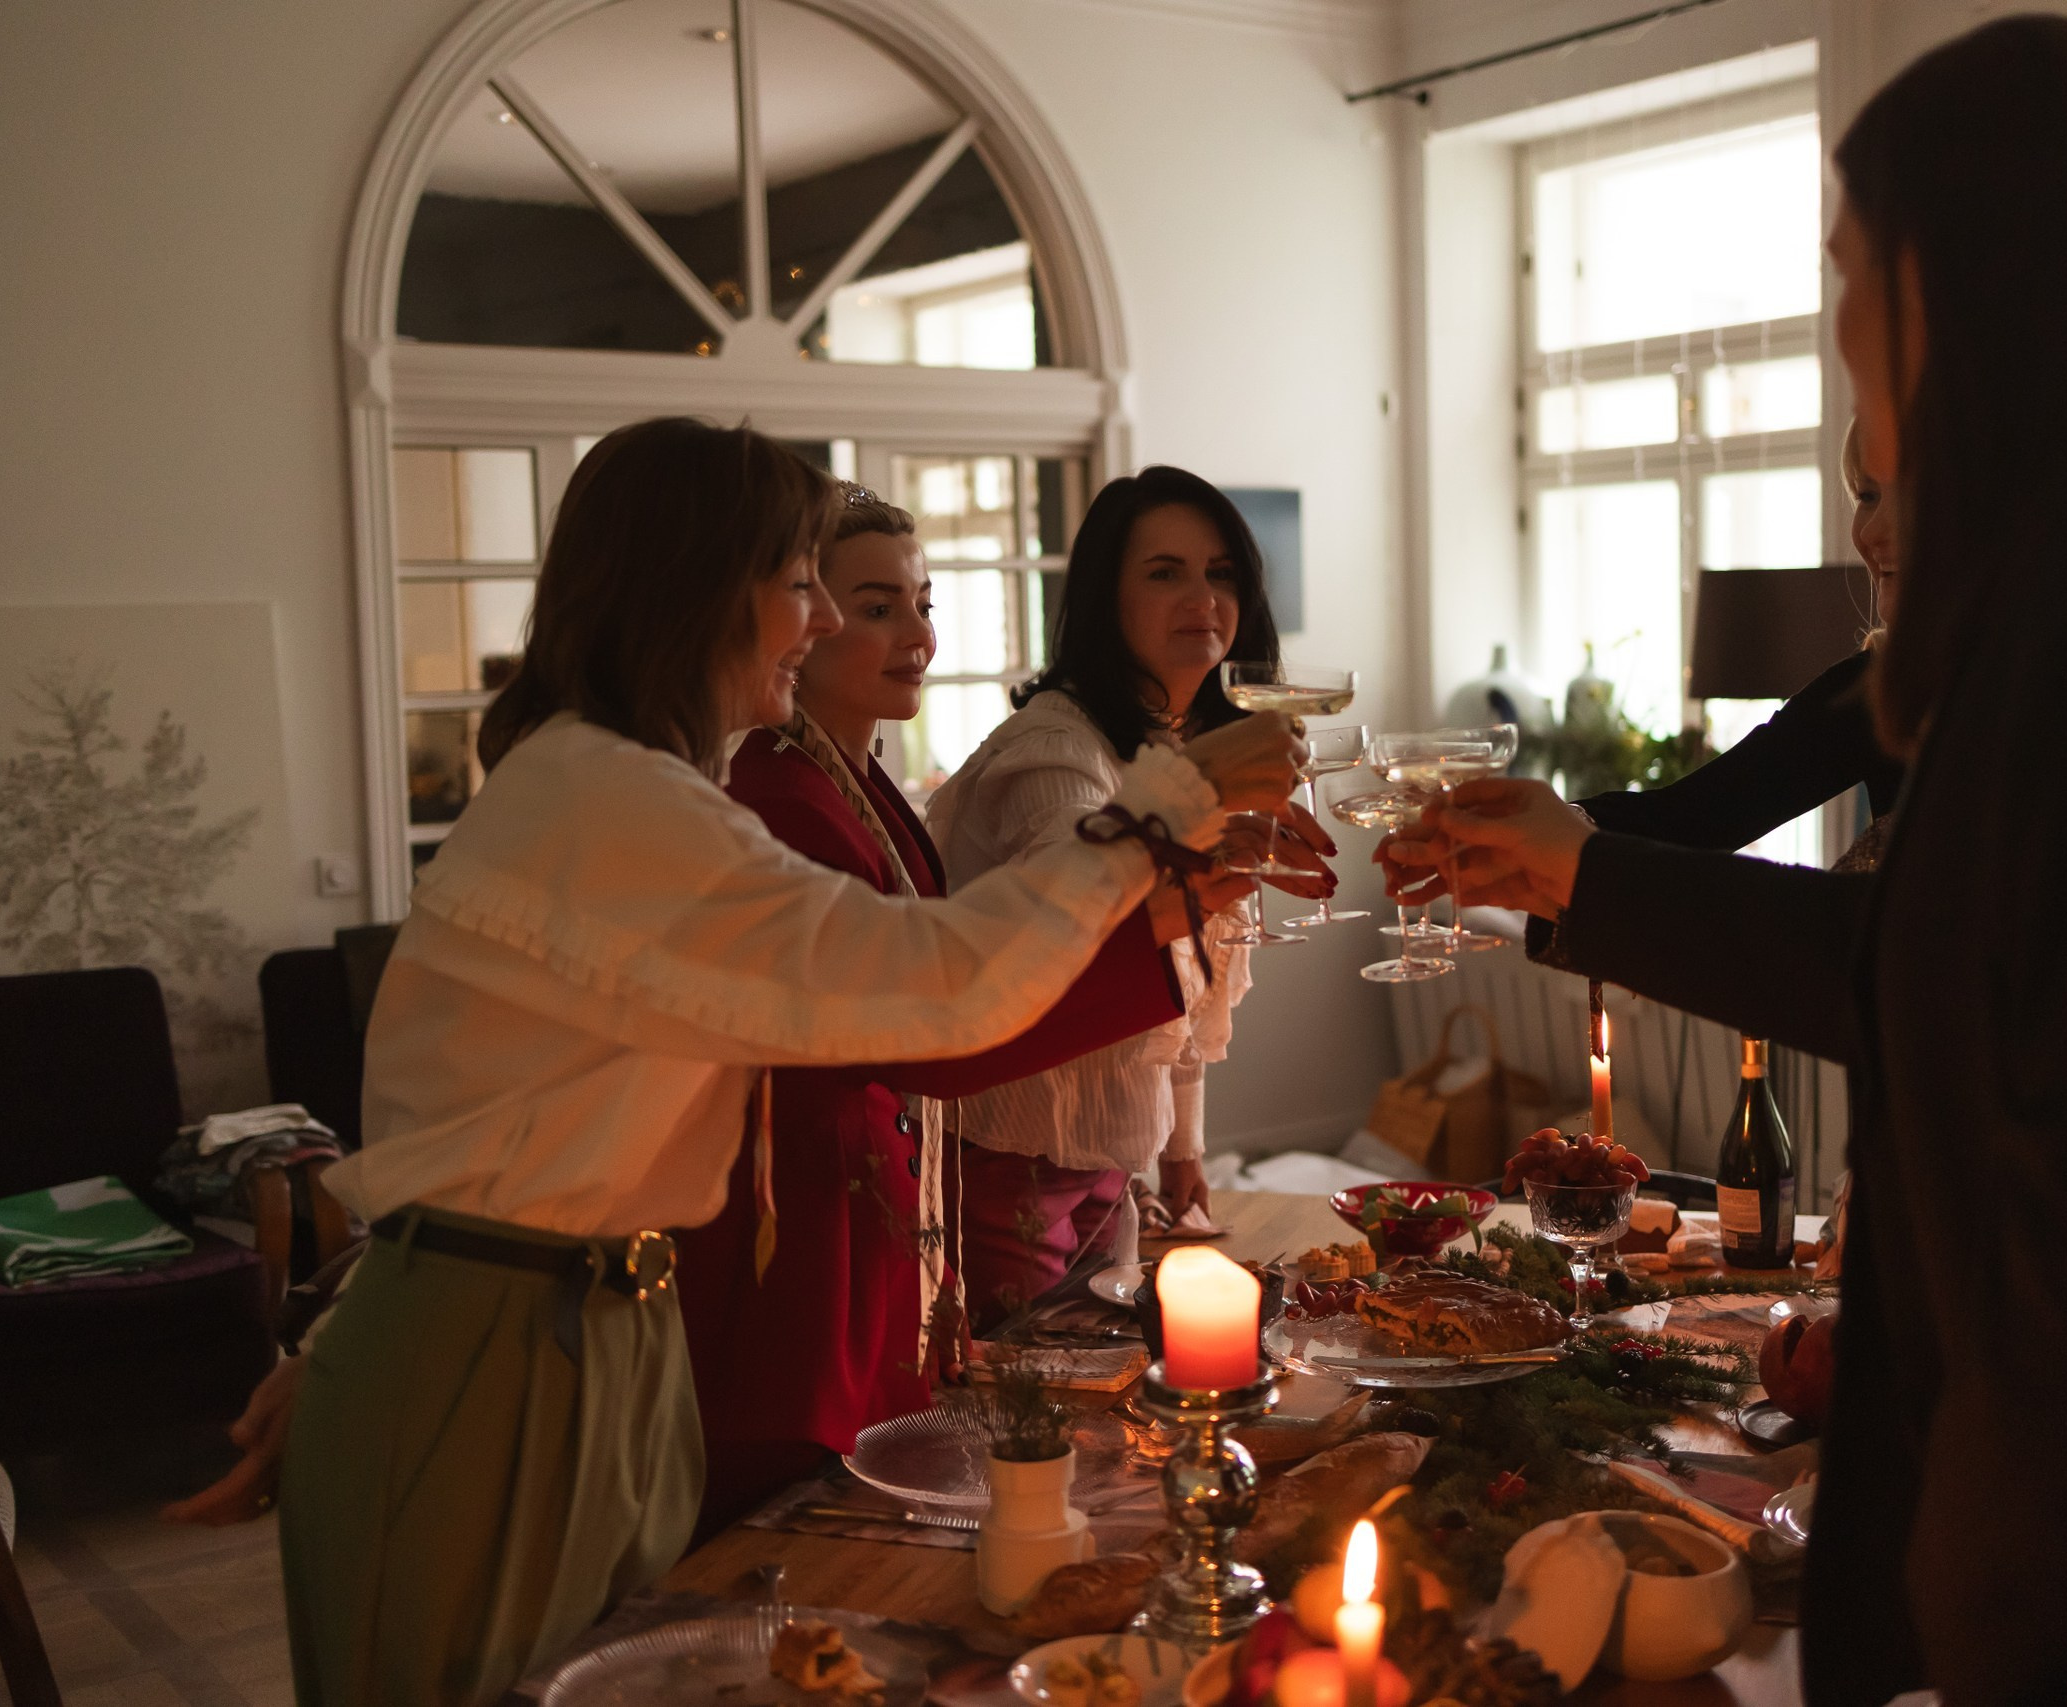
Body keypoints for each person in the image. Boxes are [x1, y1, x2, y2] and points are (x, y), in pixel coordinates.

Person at [1390, 20, 2067, 1704]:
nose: (1840, 327)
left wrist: (1975, 1631)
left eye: (1854, 273)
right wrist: (1585, 876)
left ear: (1981, 290)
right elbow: (1955, 978)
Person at [172, 419, 1309, 1706]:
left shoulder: (635, 789)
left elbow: (501, 1117)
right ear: (707, 592)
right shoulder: (612, 804)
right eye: (800, 583)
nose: (817, 619)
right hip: (504, 1352)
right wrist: (1159, 809)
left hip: (581, 1326)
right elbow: (935, 994)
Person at [680, 485, 1315, 1534]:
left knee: (934, 1473)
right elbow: (953, 1014)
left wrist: (1183, 900)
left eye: (921, 604)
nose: (913, 635)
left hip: (886, 1199)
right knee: (824, 1502)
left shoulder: (852, 779)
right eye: (868, 604)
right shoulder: (787, 793)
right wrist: (1167, 888)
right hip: (816, 1217)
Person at [929, 466, 1321, 1323]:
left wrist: (1183, 1148)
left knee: (1107, 1414)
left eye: (1221, 574)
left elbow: (1180, 969)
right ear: (1106, 596)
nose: (1201, 598)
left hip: (1113, 1153)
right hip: (1005, 1150)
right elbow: (1078, 904)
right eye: (1165, 572)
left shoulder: (1184, 748)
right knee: (1027, 1415)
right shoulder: (1057, 751)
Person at [1529, 420, 1909, 970]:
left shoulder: (2053, 696)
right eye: (1866, 496)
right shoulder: (1878, 687)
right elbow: (1701, 814)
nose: (1871, 531)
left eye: (1907, 495)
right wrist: (1554, 829)